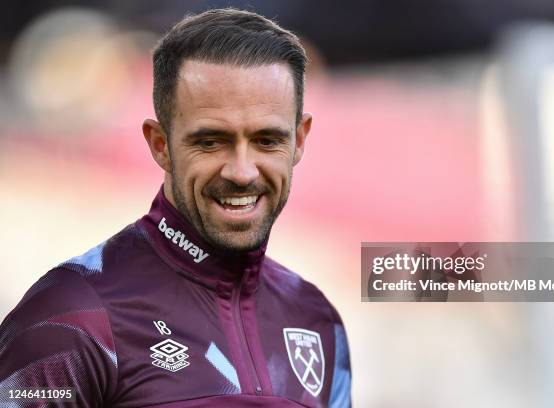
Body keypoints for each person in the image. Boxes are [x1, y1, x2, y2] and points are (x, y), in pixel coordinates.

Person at [0, 8, 351, 407]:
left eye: (267, 140)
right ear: (160, 144)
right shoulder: (71, 315)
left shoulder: (317, 321)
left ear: (300, 140)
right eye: (210, 141)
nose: (242, 171)